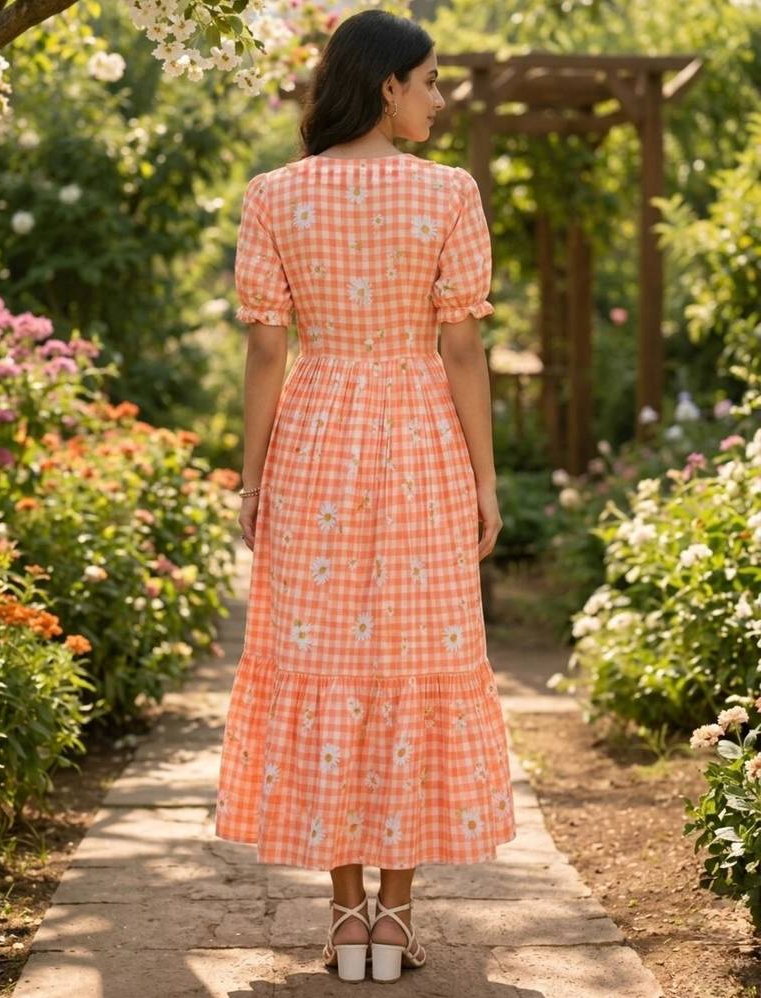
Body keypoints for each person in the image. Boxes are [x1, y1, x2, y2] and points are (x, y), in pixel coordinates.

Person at [214, 7, 516, 983]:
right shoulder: (446, 195)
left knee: (327, 661)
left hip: (313, 444)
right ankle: (396, 921)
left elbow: (266, 346)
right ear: (386, 85)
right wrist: (484, 475)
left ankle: (345, 919)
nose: (437, 98)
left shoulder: (274, 195)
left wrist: (252, 475)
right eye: (428, 81)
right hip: (419, 439)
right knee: (414, 661)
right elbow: (462, 345)